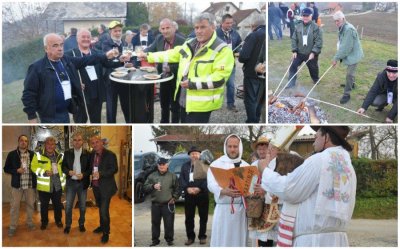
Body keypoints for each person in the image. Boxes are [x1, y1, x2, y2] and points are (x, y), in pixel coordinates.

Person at [259, 126, 357, 246]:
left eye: (316, 137)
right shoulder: (348, 165)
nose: (313, 142)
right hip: (337, 239)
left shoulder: (318, 160)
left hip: (313, 241)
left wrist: (265, 171)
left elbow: (289, 190)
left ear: (326, 137)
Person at [139, 13, 234, 123]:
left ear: (213, 27)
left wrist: (192, 83)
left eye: (202, 27)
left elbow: (219, 79)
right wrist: (148, 56)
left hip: (201, 105)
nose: (198, 31)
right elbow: (172, 54)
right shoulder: (190, 43)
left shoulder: (222, 50)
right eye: (196, 27)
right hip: (184, 101)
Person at [21, 33, 122, 123]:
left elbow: (86, 60)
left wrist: (105, 55)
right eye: (55, 46)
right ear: (46, 48)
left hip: (65, 112)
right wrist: (32, 117)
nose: (60, 48)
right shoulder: (36, 68)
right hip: (49, 116)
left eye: (61, 45)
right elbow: (28, 94)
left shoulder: (65, 60)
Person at [65, 29, 124, 123]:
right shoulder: (70, 54)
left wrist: (121, 61)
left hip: (96, 93)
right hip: (82, 95)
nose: (86, 39)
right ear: (77, 39)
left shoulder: (96, 52)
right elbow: (65, 73)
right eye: (83, 37)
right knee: (81, 121)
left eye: (88, 37)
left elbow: (108, 64)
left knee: (96, 121)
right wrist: (75, 83)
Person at [207, 134, 250, 246]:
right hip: (223, 210)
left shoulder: (246, 166)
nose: (232, 149)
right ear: (225, 147)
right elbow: (211, 184)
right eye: (230, 146)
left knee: (238, 241)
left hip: (240, 211)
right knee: (222, 240)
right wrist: (222, 190)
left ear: (239, 147)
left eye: (235, 146)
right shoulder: (216, 164)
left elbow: (251, 186)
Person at [145, 18, 186, 123]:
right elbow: (150, 49)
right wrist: (141, 53)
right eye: (163, 28)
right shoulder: (159, 38)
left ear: (174, 28)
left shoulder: (182, 41)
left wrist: (171, 68)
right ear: (160, 29)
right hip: (163, 77)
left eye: (168, 28)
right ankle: (164, 123)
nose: (165, 31)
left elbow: (186, 63)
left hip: (176, 79)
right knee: (164, 105)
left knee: (175, 106)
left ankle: (175, 126)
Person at [4, 135, 36, 237]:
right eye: (21, 140)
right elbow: (6, 169)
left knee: (30, 205)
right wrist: (16, 170)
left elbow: (37, 168)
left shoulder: (33, 154)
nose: (23, 142)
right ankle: (13, 226)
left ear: (28, 143)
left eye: (25, 141)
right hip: (17, 185)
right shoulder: (12, 154)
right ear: (18, 142)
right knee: (14, 206)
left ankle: (30, 223)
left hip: (30, 185)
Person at [30, 136, 65, 230]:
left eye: (52, 144)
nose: (50, 146)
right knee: (44, 206)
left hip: (57, 185)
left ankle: (58, 220)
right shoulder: (38, 154)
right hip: (44, 187)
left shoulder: (60, 155)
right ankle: (44, 222)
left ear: (55, 145)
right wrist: (44, 172)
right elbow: (33, 167)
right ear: (45, 145)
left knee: (57, 205)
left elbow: (64, 169)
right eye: (48, 144)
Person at [143, 158, 180, 246]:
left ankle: (169, 239)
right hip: (155, 204)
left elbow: (177, 188)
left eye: (163, 164)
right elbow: (145, 187)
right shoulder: (152, 176)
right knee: (155, 223)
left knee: (169, 223)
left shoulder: (172, 176)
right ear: (157, 165)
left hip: (168, 204)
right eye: (160, 164)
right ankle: (155, 240)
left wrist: (174, 198)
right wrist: (152, 186)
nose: (161, 166)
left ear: (167, 165)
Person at [89, 135, 118, 243]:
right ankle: (102, 227)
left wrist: (101, 174)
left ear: (101, 142)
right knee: (100, 208)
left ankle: (106, 232)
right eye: (93, 143)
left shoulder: (110, 155)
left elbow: (114, 169)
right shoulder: (92, 154)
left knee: (104, 211)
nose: (95, 144)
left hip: (106, 188)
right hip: (96, 187)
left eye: (97, 142)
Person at [61, 132, 91, 234]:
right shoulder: (67, 153)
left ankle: (81, 224)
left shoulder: (87, 153)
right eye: (75, 140)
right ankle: (68, 225)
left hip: (82, 183)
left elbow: (90, 169)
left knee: (82, 206)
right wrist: (68, 172)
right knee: (68, 206)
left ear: (82, 142)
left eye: (79, 140)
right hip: (71, 183)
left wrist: (84, 174)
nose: (77, 142)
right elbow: (63, 167)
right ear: (72, 142)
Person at [102, 20, 131, 123]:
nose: (118, 33)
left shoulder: (123, 43)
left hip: (123, 78)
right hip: (111, 79)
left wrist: (128, 63)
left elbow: (126, 58)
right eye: (115, 31)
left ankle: (129, 123)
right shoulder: (106, 43)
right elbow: (107, 61)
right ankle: (111, 125)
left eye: (120, 31)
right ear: (110, 32)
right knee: (111, 107)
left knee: (126, 104)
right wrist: (120, 59)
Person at [332, 11, 364, 104]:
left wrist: (335, 58)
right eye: (335, 21)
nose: (336, 23)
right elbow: (343, 44)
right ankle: (352, 84)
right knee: (350, 74)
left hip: (354, 55)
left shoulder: (348, 29)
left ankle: (347, 94)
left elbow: (346, 48)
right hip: (351, 53)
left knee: (350, 74)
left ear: (343, 18)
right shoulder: (343, 27)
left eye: (338, 20)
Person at [239, 13, 266, 123]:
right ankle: (257, 118)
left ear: (252, 24)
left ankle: (252, 120)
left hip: (252, 73)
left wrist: (240, 52)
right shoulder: (266, 33)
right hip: (264, 74)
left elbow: (243, 56)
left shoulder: (253, 35)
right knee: (260, 99)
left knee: (250, 100)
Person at [286, 7, 323, 88]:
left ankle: (315, 79)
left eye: (307, 15)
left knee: (313, 68)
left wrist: (313, 52)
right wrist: (294, 50)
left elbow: (318, 41)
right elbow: (294, 39)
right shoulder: (298, 26)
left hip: (310, 53)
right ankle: (291, 83)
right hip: (299, 53)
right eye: (303, 15)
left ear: (311, 16)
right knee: (293, 65)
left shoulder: (316, 27)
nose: (305, 17)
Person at [179, 146, 209, 245]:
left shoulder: (205, 165)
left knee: (203, 217)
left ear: (199, 155)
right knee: (189, 217)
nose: (194, 155)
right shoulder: (185, 166)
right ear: (189, 155)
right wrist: (187, 188)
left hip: (202, 194)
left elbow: (208, 179)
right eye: (192, 154)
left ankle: (202, 236)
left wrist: (199, 188)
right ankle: (190, 237)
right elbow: (182, 179)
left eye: (196, 153)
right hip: (189, 195)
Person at [216, 14, 243, 112]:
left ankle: (230, 104)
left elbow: (239, 45)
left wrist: (238, 51)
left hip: (231, 64)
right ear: (222, 23)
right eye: (227, 23)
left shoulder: (235, 33)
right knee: (217, 84)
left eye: (231, 23)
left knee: (231, 85)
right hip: (218, 65)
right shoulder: (215, 34)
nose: (230, 25)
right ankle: (214, 103)